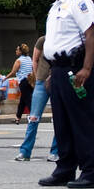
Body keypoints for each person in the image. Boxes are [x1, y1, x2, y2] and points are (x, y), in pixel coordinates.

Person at [39, 0, 94, 189]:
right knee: (62, 123)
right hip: (59, 70)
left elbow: (91, 33)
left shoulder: (78, 0)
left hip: (76, 69)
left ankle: (91, 172)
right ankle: (65, 169)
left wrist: (86, 69)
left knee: (81, 122)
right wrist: (51, 74)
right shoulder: (56, 6)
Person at [16, 35, 59, 163]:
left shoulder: (63, 37)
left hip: (57, 81)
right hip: (41, 82)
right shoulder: (43, 40)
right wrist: (37, 77)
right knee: (33, 117)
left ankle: (55, 152)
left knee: (58, 118)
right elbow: (35, 59)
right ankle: (25, 152)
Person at [9, 43, 34, 125]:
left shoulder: (19, 60)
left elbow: (13, 72)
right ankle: (17, 118)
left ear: (20, 51)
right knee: (23, 101)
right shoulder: (29, 59)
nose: (16, 51)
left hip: (23, 81)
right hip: (30, 81)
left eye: (17, 50)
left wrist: (5, 78)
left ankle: (33, 116)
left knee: (27, 99)